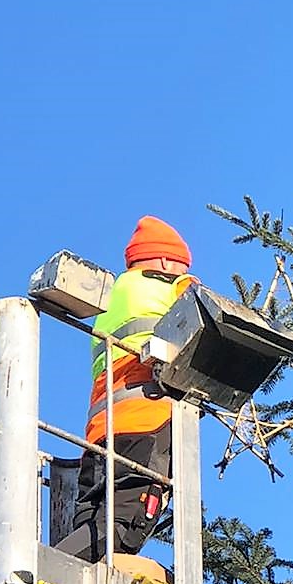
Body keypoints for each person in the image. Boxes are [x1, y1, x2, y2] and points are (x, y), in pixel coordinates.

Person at [55, 216, 194, 564]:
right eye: (182, 264)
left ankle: (58, 570)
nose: (185, 271)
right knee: (124, 524)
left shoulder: (111, 299)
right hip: (148, 420)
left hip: (100, 432)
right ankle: (43, 573)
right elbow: (210, 322)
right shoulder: (173, 286)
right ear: (165, 261)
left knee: (90, 521)